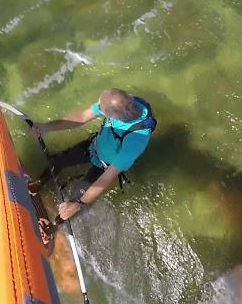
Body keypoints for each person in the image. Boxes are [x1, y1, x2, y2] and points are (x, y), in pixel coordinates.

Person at [30, 88, 156, 220]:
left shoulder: (136, 140)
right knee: (57, 162)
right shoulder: (123, 102)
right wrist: (46, 127)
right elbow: (83, 116)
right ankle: (37, 185)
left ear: (116, 117)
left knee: (73, 203)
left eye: (102, 111)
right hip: (93, 146)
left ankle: (53, 226)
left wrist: (78, 204)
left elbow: (108, 176)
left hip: (104, 166)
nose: (97, 110)